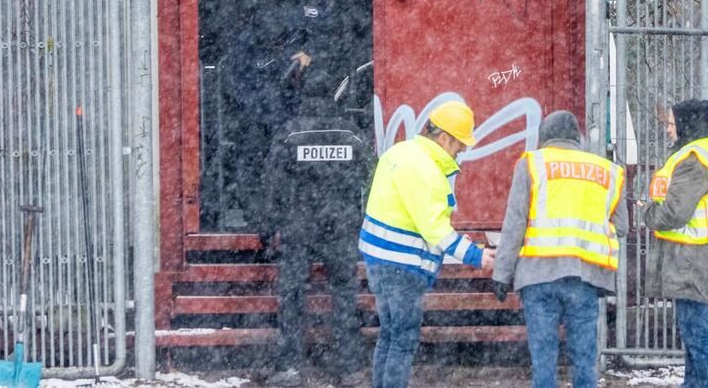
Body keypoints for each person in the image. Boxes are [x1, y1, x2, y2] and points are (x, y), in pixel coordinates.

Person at [358, 100, 496, 388]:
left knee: (390, 333)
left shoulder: (399, 152)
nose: (462, 151)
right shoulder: (426, 170)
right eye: (460, 144)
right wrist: (475, 256)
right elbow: (435, 229)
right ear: (444, 137)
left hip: (378, 260)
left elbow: (407, 216)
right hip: (402, 267)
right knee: (403, 338)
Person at [492, 110, 626, 388]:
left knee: (544, 358)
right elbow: (622, 226)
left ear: (545, 137)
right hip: (584, 276)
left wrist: (502, 273)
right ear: (576, 137)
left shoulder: (531, 164)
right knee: (584, 357)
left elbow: (515, 222)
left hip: (538, 276)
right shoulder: (607, 171)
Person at [260, 72, 371, 387]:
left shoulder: (290, 133)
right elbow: (372, 175)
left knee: (292, 296)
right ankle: (349, 369)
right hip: (340, 227)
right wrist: (365, 218)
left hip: (299, 227)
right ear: (332, 95)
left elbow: (272, 184)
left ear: (303, 94)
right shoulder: (351, 133)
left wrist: (267, 228)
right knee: (345, 297)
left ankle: (289, 368)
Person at [638, 99, 708, 388]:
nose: (669, 130)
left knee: (696, 331)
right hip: (704, 251)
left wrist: (647, 212)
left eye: (672, 124)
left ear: (686, 124)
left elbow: (674, 212)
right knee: (694, 329)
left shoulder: (695, 158)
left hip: (693, 254)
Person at [223, 3, 325, 229]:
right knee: (250, 165)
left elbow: (330, 26)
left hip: (296, 117)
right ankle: (260, 221)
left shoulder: (298, 19)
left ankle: (293, 216)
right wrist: (258, 110)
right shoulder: (246, 46)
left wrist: (312, 53)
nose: (277, 45)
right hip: (260, 118)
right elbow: (235, 84)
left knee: (299, 165)